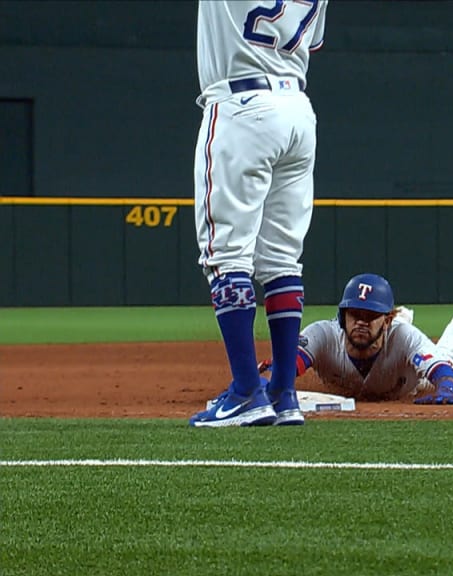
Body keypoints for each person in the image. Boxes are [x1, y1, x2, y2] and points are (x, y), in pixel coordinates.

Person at [189, 1, 330, 427]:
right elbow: (312, 41)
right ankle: (283, 392)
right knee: (282, 259)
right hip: (297, 111)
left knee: (226, 254)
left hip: (241, 105)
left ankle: (247, 390)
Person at [257, 273, 453, 404]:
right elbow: (285, 365)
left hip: (413, 381)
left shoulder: (402, 336)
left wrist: (447, 390)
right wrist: (262, 382)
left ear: (387, 320)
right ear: (343, 316)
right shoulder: (323, 334)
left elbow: (443, 373)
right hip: (387, 368)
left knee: (450, 359)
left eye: (371, 316)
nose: (361, 322)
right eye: (355, 314)